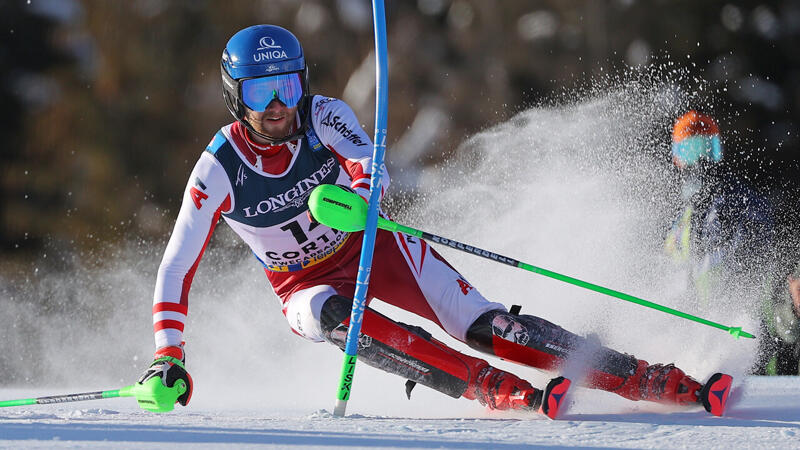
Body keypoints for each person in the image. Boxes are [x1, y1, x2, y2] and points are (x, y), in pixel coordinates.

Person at [136, 25, 731, 418]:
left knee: (482, 322)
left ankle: (653, 379)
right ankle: (492, 388)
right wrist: (170, 354)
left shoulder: (322, 115)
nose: (277, 105)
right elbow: (176, 265)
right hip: (303, 285)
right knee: (332, 317)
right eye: (261, 90)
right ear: (234, 95)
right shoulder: (219, 167)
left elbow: (367, 161)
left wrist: (366, 197)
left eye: (287, 85)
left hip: (374, 246)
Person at [664, 110, 775, 307]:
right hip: (685, 319)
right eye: (690, 151)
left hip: (727, 312)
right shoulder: (681, 214)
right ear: (677, 159)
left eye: (707, 149)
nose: (699, 161)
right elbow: (670, 267)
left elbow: (759, 261)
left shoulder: (738, 200)